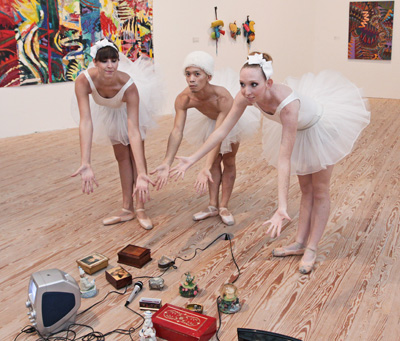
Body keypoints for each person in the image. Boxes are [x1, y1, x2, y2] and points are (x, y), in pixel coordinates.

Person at [171, 52, 370, 273]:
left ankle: (312, 248)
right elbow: (222, 131)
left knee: (320, 190)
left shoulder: (288, 106)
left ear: (269, 83)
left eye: (254, 84)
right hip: (301, 131)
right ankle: (299, 243)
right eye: (243, 84)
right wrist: (193, 158)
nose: (247, 91)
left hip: (322, 128)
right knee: (306, 190)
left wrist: (282, 206)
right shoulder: (244, 97)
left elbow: (284, 159)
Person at [151, 51, 259, 225]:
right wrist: (167, 161)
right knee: (215, 162)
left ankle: (223, 206)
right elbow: (177, 131)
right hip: (210, 122)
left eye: (197, 74)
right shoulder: (183, 99)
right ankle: (212, 205)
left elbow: (220, 132)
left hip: (228, 124)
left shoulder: (222, 97)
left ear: (208, 76)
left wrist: (204, 166)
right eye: (188, 74)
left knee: (228, 161)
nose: (191, 79)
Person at [71, 39, 163, 230]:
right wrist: (85, 162)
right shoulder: (83, 80)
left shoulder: (129, 85)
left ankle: (140, 207)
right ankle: (127, 208)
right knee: (121, 157)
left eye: (114, 60)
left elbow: (134, 131)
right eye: (104, 61)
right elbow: (86, 121)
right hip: (110, 110)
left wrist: (143, 173)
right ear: (95, 62)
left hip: (131, 107)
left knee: (135, 155)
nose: (110, 65)